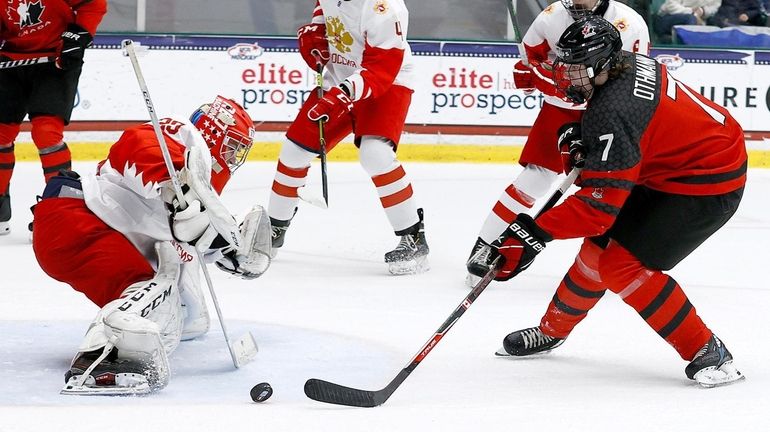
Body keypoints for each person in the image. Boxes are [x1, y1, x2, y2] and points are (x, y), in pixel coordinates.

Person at [482, 16, 747, 387]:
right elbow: (630, 139)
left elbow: (597, 210)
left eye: (575, 69)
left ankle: (708, 350)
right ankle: (552, 330)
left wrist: (534, 232)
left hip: (706, 181)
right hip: (681, 158)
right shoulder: (625, 64)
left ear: (601, 64)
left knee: (621, 266)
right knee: (597, 252)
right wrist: (586, 144)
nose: (566, 76)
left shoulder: (615, 111)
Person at [31, 96, 272, 395]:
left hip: (89, 232)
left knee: (175, 309)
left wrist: (233, 250)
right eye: (232, 147)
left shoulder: (195, 193)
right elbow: (137, 144)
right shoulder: (183, 136)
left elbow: (191, 242)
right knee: (159, 286)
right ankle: (100, 357)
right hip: (75, 218)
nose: (234, 158)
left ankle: (125, 338)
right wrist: (172, 186)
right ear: (213, 131)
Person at [465, 0, 649, 286]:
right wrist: (545, 80)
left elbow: (637, 74)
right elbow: (530, 60)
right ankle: (485, 247)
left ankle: (619, 263)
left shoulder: (630, 24)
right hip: (560, 111)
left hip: (606, 111)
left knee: (615, 192)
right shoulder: (551, 17)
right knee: (533, 180)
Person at [268, 0, 429, 275]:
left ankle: (413, 237)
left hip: (389, 83)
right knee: (294, 151)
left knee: (375, 154)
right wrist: (317, 30)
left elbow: (381, 69)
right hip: (340, 78)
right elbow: (324, 8)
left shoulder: (385, 6)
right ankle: (273, 228)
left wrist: (341, 95)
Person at [0, 0, 108, 236]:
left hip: (56, 57)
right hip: (9, 59)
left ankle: (60, 207)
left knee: (47, 132)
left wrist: (79, 35)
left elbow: (93, 3)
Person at [653, 0, 720, 44]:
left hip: (697, 19)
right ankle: (689, 50)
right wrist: (692, 12)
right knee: (690, 18)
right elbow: (671, 6)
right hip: (665, 18)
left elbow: (713, 8)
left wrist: (702, 11)